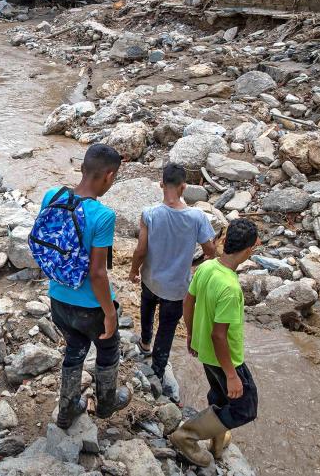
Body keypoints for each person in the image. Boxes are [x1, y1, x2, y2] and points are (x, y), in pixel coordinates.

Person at [34, 144, 131, 429]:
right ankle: (106, 404)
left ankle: (66, 410)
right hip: (91, 306)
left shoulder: (53, 196)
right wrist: (110, 313)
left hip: (58, 299)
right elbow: (98, 273)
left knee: (74, 349)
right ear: (109, 176)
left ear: (82, 168)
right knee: (108, 349)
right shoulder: (103, 216)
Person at [170, 218, 260, 467]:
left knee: (221, 397)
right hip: (226, 358)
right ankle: (187, 436)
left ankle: (217, 444)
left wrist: (190, 334)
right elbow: (219, 335)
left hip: (205, 352)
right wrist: (232, 374)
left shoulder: (207, 267)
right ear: (249, 250)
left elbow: (188, 302)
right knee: (245, 407)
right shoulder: (230, 288)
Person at [129, 163, 215, 393]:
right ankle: (157, 371)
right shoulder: (197, 217)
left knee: (146, 309)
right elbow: (210, 250)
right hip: (177, 288)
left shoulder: (149, 213)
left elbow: (140, 250)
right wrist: (199, 274)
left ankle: (145, 343)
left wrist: (133, 270)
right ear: (184, 187)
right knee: (167, 328)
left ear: (161, 185)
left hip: (150, 279)